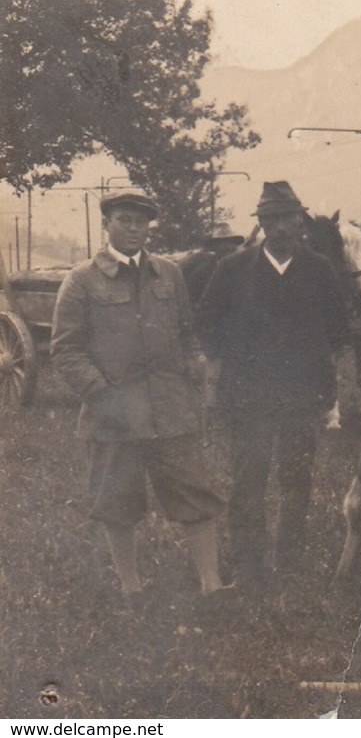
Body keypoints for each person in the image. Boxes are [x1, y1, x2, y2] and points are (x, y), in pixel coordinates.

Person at [50, 191, 228, 598]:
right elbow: (66, 349)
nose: (133, 228)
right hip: (114, 417)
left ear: (150, 227)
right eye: (125, 220)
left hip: (172, 412)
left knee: (197, 495)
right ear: (107, 224)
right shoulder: (81, 280)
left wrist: (195, 362)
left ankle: (212, 584)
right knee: (118, 504)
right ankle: (130, 586)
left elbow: (188, 332)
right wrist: (103, 395)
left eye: (141, 221)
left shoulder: (170, 274)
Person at [196, 181, 350, 584]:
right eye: (272, 219)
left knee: (297, 479)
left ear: (301, 221)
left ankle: (290, 559)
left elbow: (338, 328)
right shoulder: (233, 269)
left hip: (301, 395)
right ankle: (248, 563)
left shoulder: (319, 268)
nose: (281, 227)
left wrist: (319, 375)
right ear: (261, 223)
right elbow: (207, 321)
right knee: (249, 477)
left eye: (289, 218)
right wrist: (224, 367)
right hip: (249, 396)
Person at [182, 223, 247, 304]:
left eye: (232, 242)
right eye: (222, 243)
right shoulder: (201, 274)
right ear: (214, 247)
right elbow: (193, 305)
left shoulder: (245, 271)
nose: (228, 247)